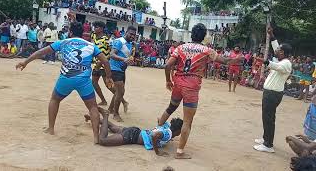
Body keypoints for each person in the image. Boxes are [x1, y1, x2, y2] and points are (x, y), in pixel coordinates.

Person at [15, 22, 113, 144]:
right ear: (82, 33)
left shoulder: (63, 42)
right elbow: (106, 62)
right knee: (93, 107)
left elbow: (41, 52)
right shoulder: (90, 45)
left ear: (70, 32)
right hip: (83, 81)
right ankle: (95, 137)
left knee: (55, 100)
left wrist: (25, 62)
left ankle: (51, 129)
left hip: (66, 78)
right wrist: (108, 77)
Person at [157, 23, 243, 159]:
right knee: (187, 121)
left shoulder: (180, 47)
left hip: (178, 83)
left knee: (171, 108)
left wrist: (168, 80)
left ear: (191, 34)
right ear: (203, 36)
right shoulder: (206, 50)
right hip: (192, 86)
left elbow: (168, 65)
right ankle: (179, 152)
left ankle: (157, 132)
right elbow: (224, 61)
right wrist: (236, 59)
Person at [253, 27, 292, 153]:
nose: (277, 50)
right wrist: (272, 35)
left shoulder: (286, 63)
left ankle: (268, 145)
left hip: (273, 94)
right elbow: (275, 48)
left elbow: (275, 66)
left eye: (280, 50)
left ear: (283, 53)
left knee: (268, 118)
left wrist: (263, 61)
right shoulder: (282, 59)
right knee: (268, 117)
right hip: (271, 93)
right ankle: (266, 139)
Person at [83, 110, 183, 157]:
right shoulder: (168, 134)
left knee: (112, 127)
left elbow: (159, 120)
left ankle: (92, 118)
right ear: (178, 131)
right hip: (132, 137)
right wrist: (157, 152)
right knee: (103, 141)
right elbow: (154, 136)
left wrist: (159, 131)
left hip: (136, 131)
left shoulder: (167, 127)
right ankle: (105, 115)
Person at [108, 26, 136, 122]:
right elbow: (112, 54)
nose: (132, 36)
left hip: (121, 70)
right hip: (114, 69)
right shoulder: (119, 41)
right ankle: (115, 113)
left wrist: (128, 61)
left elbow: (125, 57)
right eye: (131, 34)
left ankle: (110, 110)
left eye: (134, 35)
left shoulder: (130, 44)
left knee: (118, 92)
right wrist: (124, 59)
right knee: (120, 92)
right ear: (126, 33)